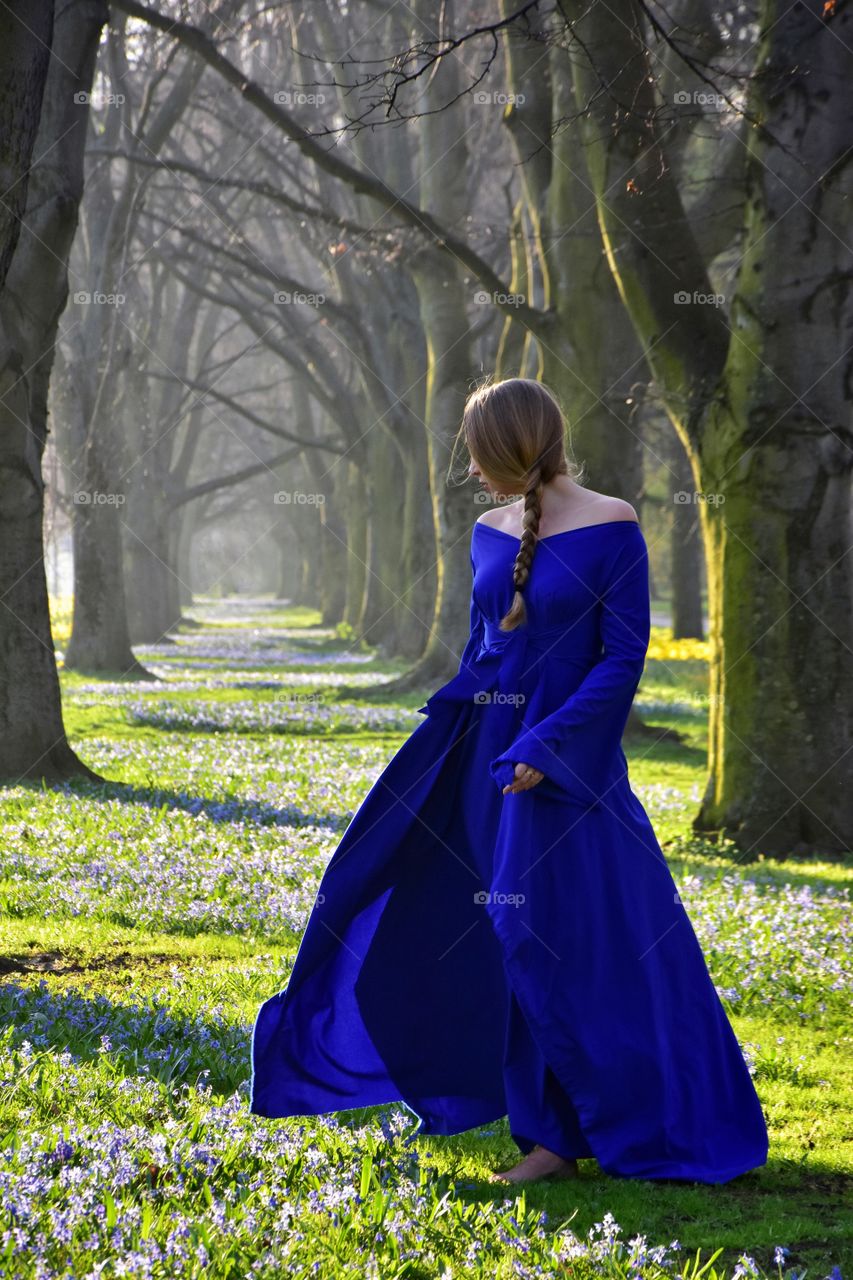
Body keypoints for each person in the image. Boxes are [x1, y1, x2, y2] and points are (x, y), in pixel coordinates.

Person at [250, 376, 769, 1186]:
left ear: (511, 446)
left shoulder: (612, 524)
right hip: (485, 758)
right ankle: (540, 1132)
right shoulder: (488, 532)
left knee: (563, 935)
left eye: (476, 453)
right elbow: (481, 650)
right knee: (454, 917)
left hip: (565, 770)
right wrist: (449, 737)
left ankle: (608, 1120)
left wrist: (547, 748)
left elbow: (620, 658)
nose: (469, 469)